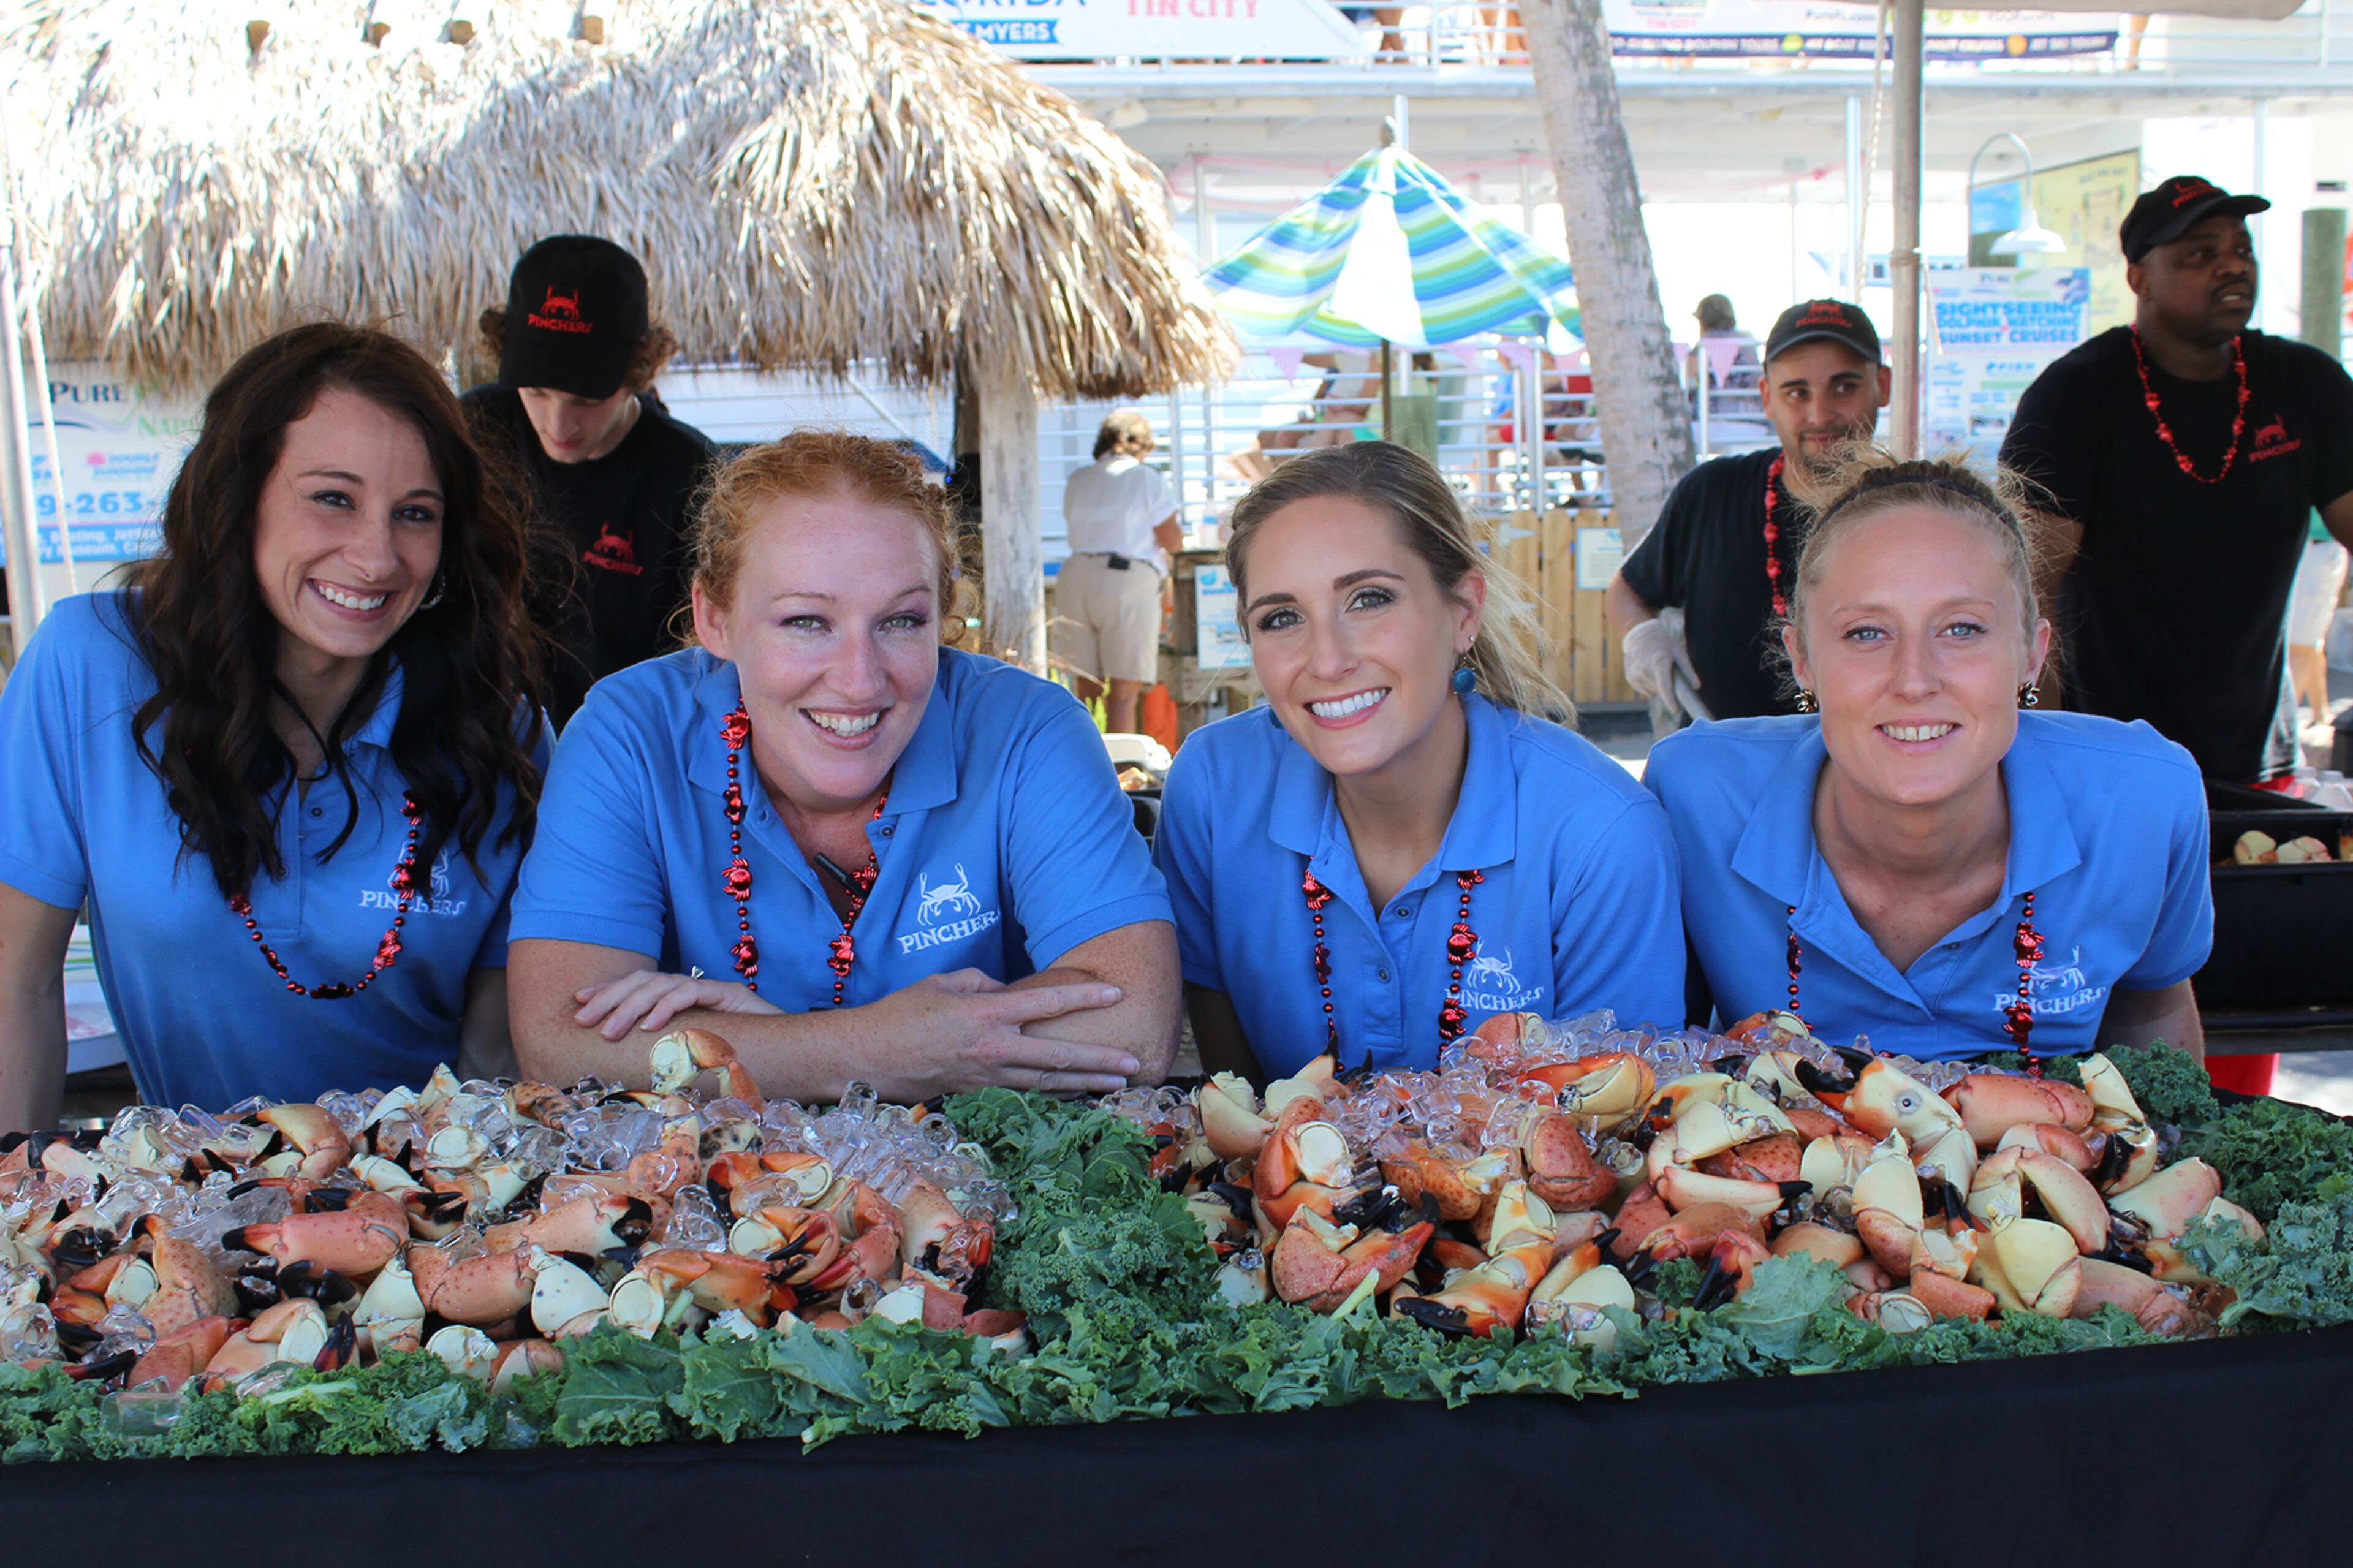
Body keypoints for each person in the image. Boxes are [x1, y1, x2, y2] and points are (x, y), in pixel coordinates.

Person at [507, 430, 1181, 1101]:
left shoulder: (1025, 728)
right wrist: (871, 1050)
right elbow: (559, 1041)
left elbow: (1135, 1026)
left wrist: (765, 1049)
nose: (860, 683)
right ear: (714, 618)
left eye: (901, 622)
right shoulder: (631, 732)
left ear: (944, 615)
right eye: (806, 622)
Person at [0, 324, 549, 1129]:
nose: (376, 557)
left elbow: (497, 1059)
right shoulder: (90, 663)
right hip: (181, 1208)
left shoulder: (503, 731)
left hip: (427, 1213)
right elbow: (16, 978)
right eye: (333, 497)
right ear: (239, 492)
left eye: (415, 513)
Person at [1645, 450, 2213, 1063]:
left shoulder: (2146, 801)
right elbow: (1654, 1035)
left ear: (2031, 655)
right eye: (1867, 632)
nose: (1914, 680)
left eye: (1962, 629)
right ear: (1803, 659)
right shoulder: (1696, 798)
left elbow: (2153, 1009)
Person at [1154, 442, 1687, 1080]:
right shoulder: (1213, 788)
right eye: (1282, 617)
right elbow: (1235, 1102)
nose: (1327, 660)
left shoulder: (1602, 833)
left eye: (1369, 599)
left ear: (1462, 612)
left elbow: (1607, 1131)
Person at [2001, 175, 2353, 787]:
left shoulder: (2305, 385)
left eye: (2241, 250)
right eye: (2200, 254)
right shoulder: (2077, 395)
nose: (2231, 267)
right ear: (2140, 278)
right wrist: (2047, 749)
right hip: (2108, 758)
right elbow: (2026, 590)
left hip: (2257, 752)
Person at [464, 235, 719, 727]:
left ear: (639, 369)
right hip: (481, 734)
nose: (557, 426)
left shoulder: (690, 475)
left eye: (586, 400)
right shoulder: (474, 430)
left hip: (622, 747)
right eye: (536, 392)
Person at [1610, 298, 1892, 725]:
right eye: (1797, 392)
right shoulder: (1710, 492)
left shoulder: (1917, 512)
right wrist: (1641, 636)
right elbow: (1628, 587)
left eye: (1844, 387)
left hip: (1872, 776)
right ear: (1766, 397)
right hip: (1722, 772)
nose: (1820, 413)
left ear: (1882, 386)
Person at [1054, 411, 1182, 734]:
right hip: (1125, 579)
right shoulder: (1144, 477)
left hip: (1075, 576)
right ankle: (1121, 774)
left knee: (1084, 689)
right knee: (1124, 695)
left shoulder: (1079, 478)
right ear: (1140, 444)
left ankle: (1079, 764)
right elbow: (1173, 540)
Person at [2287, 509, 2347, 741]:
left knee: (2300, 644)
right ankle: (2321, 712)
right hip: (2306, 546)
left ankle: (2288, 727)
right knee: (2309, 641)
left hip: (2320, 549)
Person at [1688, 292, 1768, 450]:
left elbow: (1686, 380)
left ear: (1703, 321)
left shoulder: (1703, 346)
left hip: (1709, 425)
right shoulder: (1749, 344)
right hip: (1755, 425)